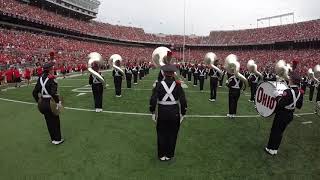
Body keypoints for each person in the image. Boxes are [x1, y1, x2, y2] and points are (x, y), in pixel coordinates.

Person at [149, 64, 187, 161]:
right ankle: (169, 155)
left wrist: (153, 111)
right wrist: (183, 112)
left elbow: (153, 100)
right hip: (174, 112)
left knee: (161, 133)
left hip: (162, 112)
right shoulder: (178, 85)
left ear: (164, 74)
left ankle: (162, 155)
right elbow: (183, 100)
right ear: (173, 73)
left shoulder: (158, 84)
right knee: (172, 134)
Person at [265, 72, 304, 155]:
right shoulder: (300, 92)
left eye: (290, 78)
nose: (289, 79)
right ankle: (275, 149)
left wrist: (277, 95)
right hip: (290, 114)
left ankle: (270, 148)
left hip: (282, 114)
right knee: (280, 131)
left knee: (275, 130)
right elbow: (299, 106)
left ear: (292, 81)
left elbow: (280, 103)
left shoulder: (288, 91)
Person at [32, 62, 64, 145]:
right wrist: (58, 102)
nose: (53, 69)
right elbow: (53, 93)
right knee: (55, 121)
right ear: (50, 69)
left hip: (42, 102)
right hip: (51, 102)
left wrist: (38, 101)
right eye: (52, 68)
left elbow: (34, 93)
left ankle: (53, 139)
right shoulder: (52, 78)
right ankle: (58, 139)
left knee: (48, 121)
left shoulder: (40, 78)